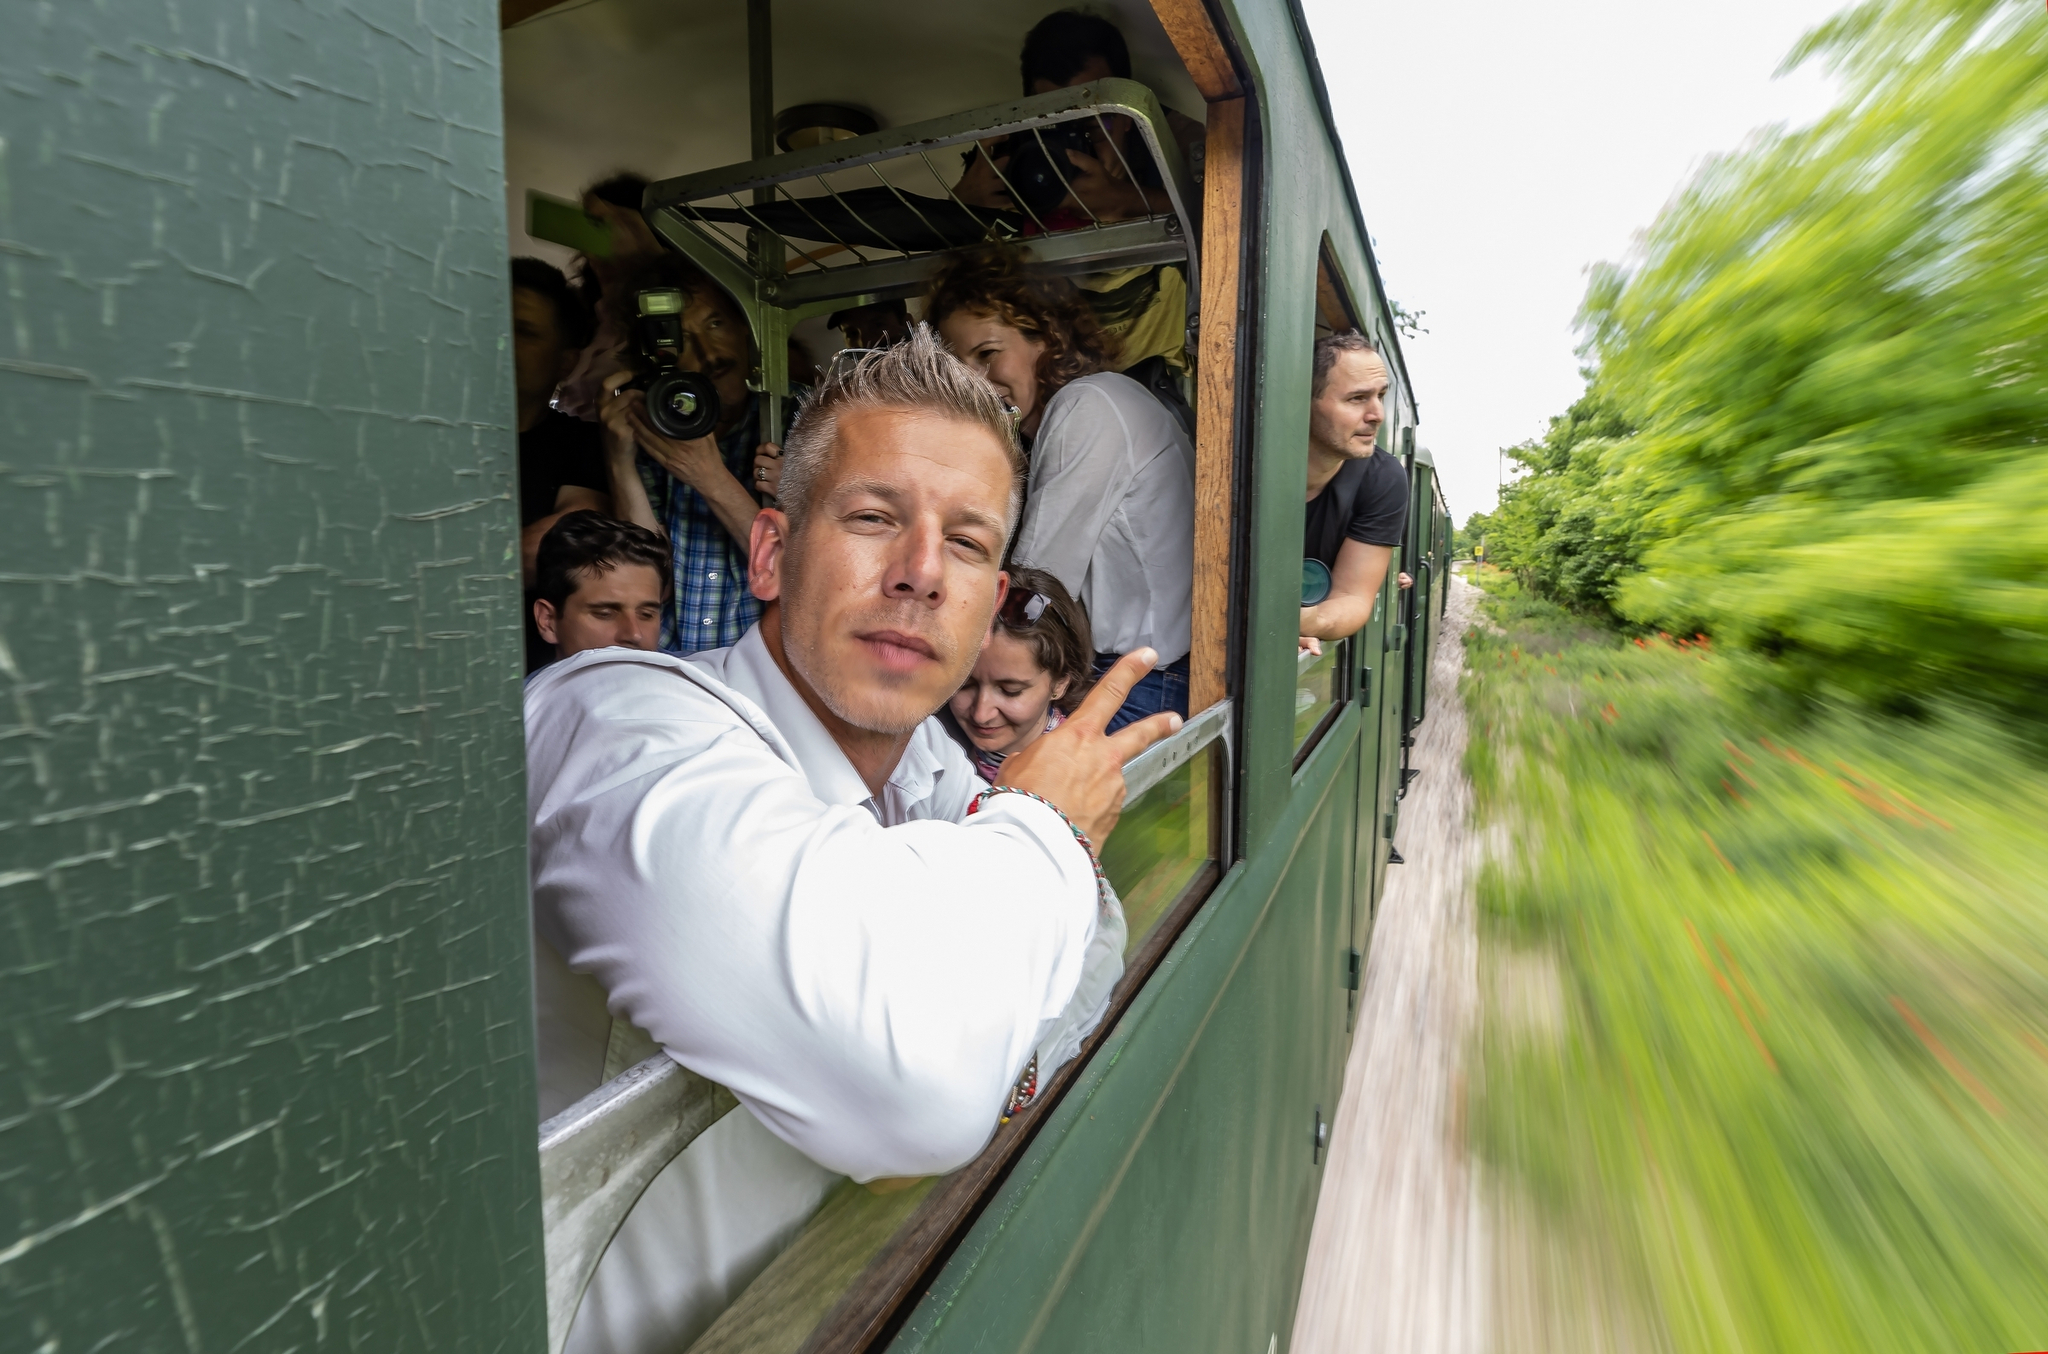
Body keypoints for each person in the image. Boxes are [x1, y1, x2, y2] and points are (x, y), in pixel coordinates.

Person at [526, 329, 1176, 1352]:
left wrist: (990, 1016)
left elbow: (1089, 943)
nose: (921, 572)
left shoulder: (923, 757)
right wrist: (1044, 828)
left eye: (966, 543)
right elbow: (915, 1088)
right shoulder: (614, 726)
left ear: (988, 603)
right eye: (875, 518)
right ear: (772, 553)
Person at [929, 248, 1196, 732]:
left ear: (1046, 340)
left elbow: (1031, 592)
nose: (974, 381)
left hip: (1132, 684)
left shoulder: (1086, 405)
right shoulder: (1080, 412)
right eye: (957, 365)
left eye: (988, 354)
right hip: (1141, 677)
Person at [599, 257, 783, 654]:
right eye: (683, 338)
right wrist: (620, 461)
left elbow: (797, 575)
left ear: (746, 328)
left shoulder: (802, 416)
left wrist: (708, 475)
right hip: (673, 673)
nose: (708, 352)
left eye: (716, 324)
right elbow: (650, 583)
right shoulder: (655, 423)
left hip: (763, 680)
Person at [513, 257, 610, 670]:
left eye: (524, 331)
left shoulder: (581, 444)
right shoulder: (425, 433)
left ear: (565, 361)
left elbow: (549, 554)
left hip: (533, 682)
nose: (500, 341)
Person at [1299, 330, 1411, 655]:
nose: (1377, 415)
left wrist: (1309, 621)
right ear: (1304, 401)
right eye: (1357, 398)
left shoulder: (1383, 478)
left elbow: (1353, 597)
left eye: (1381, 396)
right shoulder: (1239, 461)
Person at [949, 565, 1094, 783]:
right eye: (964, 684)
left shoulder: (1076, 777)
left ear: (1060, 683)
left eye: (1010, 691)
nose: (981, 713)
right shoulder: (939, 739)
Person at [553, 172, 666, 419]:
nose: (595, 247)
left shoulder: (674, 311)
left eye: (611, 226)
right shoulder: (587, 317)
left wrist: (650, 255)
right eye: (590, 226)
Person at [530, 511, 666, 664]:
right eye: (605, 614)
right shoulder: (525, 689)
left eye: (646, 614)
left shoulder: (695, 679)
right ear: (548, 621)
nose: (634, 634)